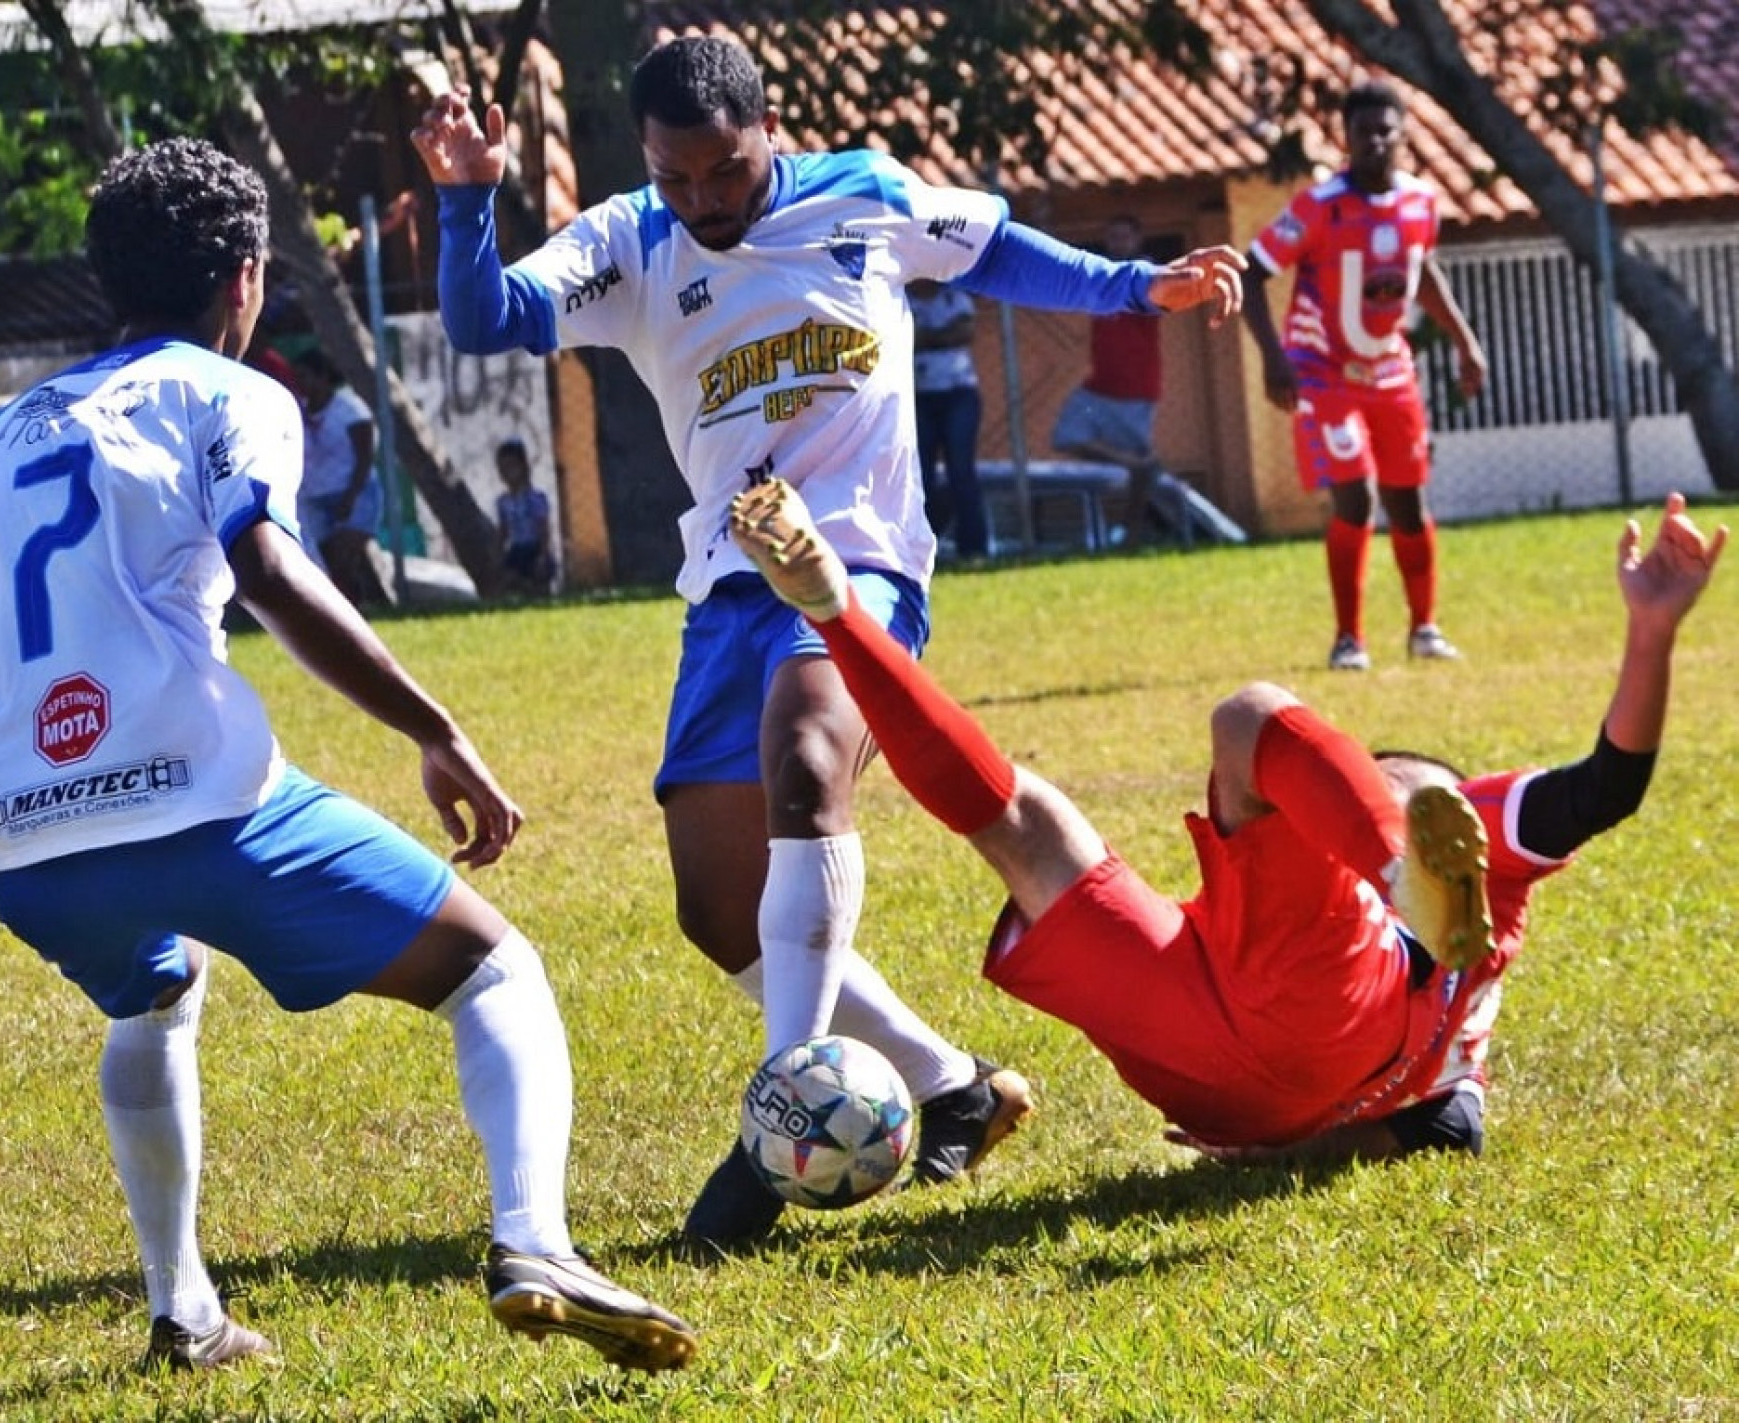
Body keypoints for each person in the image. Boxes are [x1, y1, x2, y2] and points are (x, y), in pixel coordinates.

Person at [0, 137, 696, 1375]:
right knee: (492, 969)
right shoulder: (229, 392)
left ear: (103, 277)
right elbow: (273, 575)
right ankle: (536, 1243)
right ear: (245, 277)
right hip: (201, 805)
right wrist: (435, 731)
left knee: (154, 986)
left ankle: (183, 1311)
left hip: (26, 849)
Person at [409, 32, 1246, 1252]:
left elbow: (996, 244)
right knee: (718, 910)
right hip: (725, 586)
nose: (703, 200)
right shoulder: (629, 240)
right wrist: (466, 201)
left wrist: (1134, 289)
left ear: (770, 137)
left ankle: (778, 1117)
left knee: (807, 761)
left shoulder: (862, 192)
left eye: (726, 173)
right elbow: (487, 320)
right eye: (676, 176)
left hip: (858, 565)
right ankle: (951, 1083)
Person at [728, 477, 1723, 1163]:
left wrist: (1650, 636)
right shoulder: (1455, 964)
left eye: (1405, 790)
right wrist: (1299, 1136)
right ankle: (831, 606)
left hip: (1277, 1030)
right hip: (1233, 1052)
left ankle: (834, 615)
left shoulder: (1472, 847)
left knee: (1243, 719)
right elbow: (1449, 1126)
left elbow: (1605, 789)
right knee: (1021, 816)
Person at [1240, 80, 1488, 672]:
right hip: (1321, 370)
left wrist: (1465, 343)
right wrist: (1275, 360)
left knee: (1408, 501)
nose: (1376, 141)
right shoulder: (1319, 206)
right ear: (1345, 139)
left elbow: (1420, 270)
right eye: (1363, 132)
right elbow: (1251, 272)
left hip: (1389, 369)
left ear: (1402, 137)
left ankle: (1424, 629)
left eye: (1386, 131)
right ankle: (1349, 638)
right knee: (1356, 493)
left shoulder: (1420, 203)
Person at [1050, 214, 1164, 551]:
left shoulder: (1146, 275)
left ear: (1137, 239)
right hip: (1099, 384)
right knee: (1067, 436)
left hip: (1135, 385)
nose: (1117, 242)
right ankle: (1137, 464)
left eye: (1124, 236)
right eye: (1112, 236)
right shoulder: (1100, 275)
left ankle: (1131, 535)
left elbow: (1153, 289)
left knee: (1141, 475)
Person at [292, 346, 393, 611]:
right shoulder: (297, 411)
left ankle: (367, 604)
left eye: (306, 376)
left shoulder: (349, 409)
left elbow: (364, 456)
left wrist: (351, 496)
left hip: (354, 492)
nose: (302, 384)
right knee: (329, 560)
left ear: (323, 376)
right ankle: (371, 604)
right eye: (298, 377)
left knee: (343, 553)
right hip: (314, 496)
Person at [908, 278, 988, 560]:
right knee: (921, 475)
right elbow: (904, 339)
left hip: (958, 394)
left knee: (961, 471)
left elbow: (963, 332)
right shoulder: (904, 300)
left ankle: (974, 547)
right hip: (918, 396)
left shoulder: (955, 298)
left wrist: (924, 338)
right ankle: (923, 551)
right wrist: (939, 336)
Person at [495, 436, 557, 594]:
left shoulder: (534, 498)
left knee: (538, 574)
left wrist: (543, 554)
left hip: (533, 547)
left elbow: (543, 528)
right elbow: (504, 530)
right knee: (509, 578)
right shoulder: (503, 502)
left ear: (523, 467)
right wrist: (498, 551)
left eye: (511, 467)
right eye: (502, 469)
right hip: (517, 549)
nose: (506, 474)